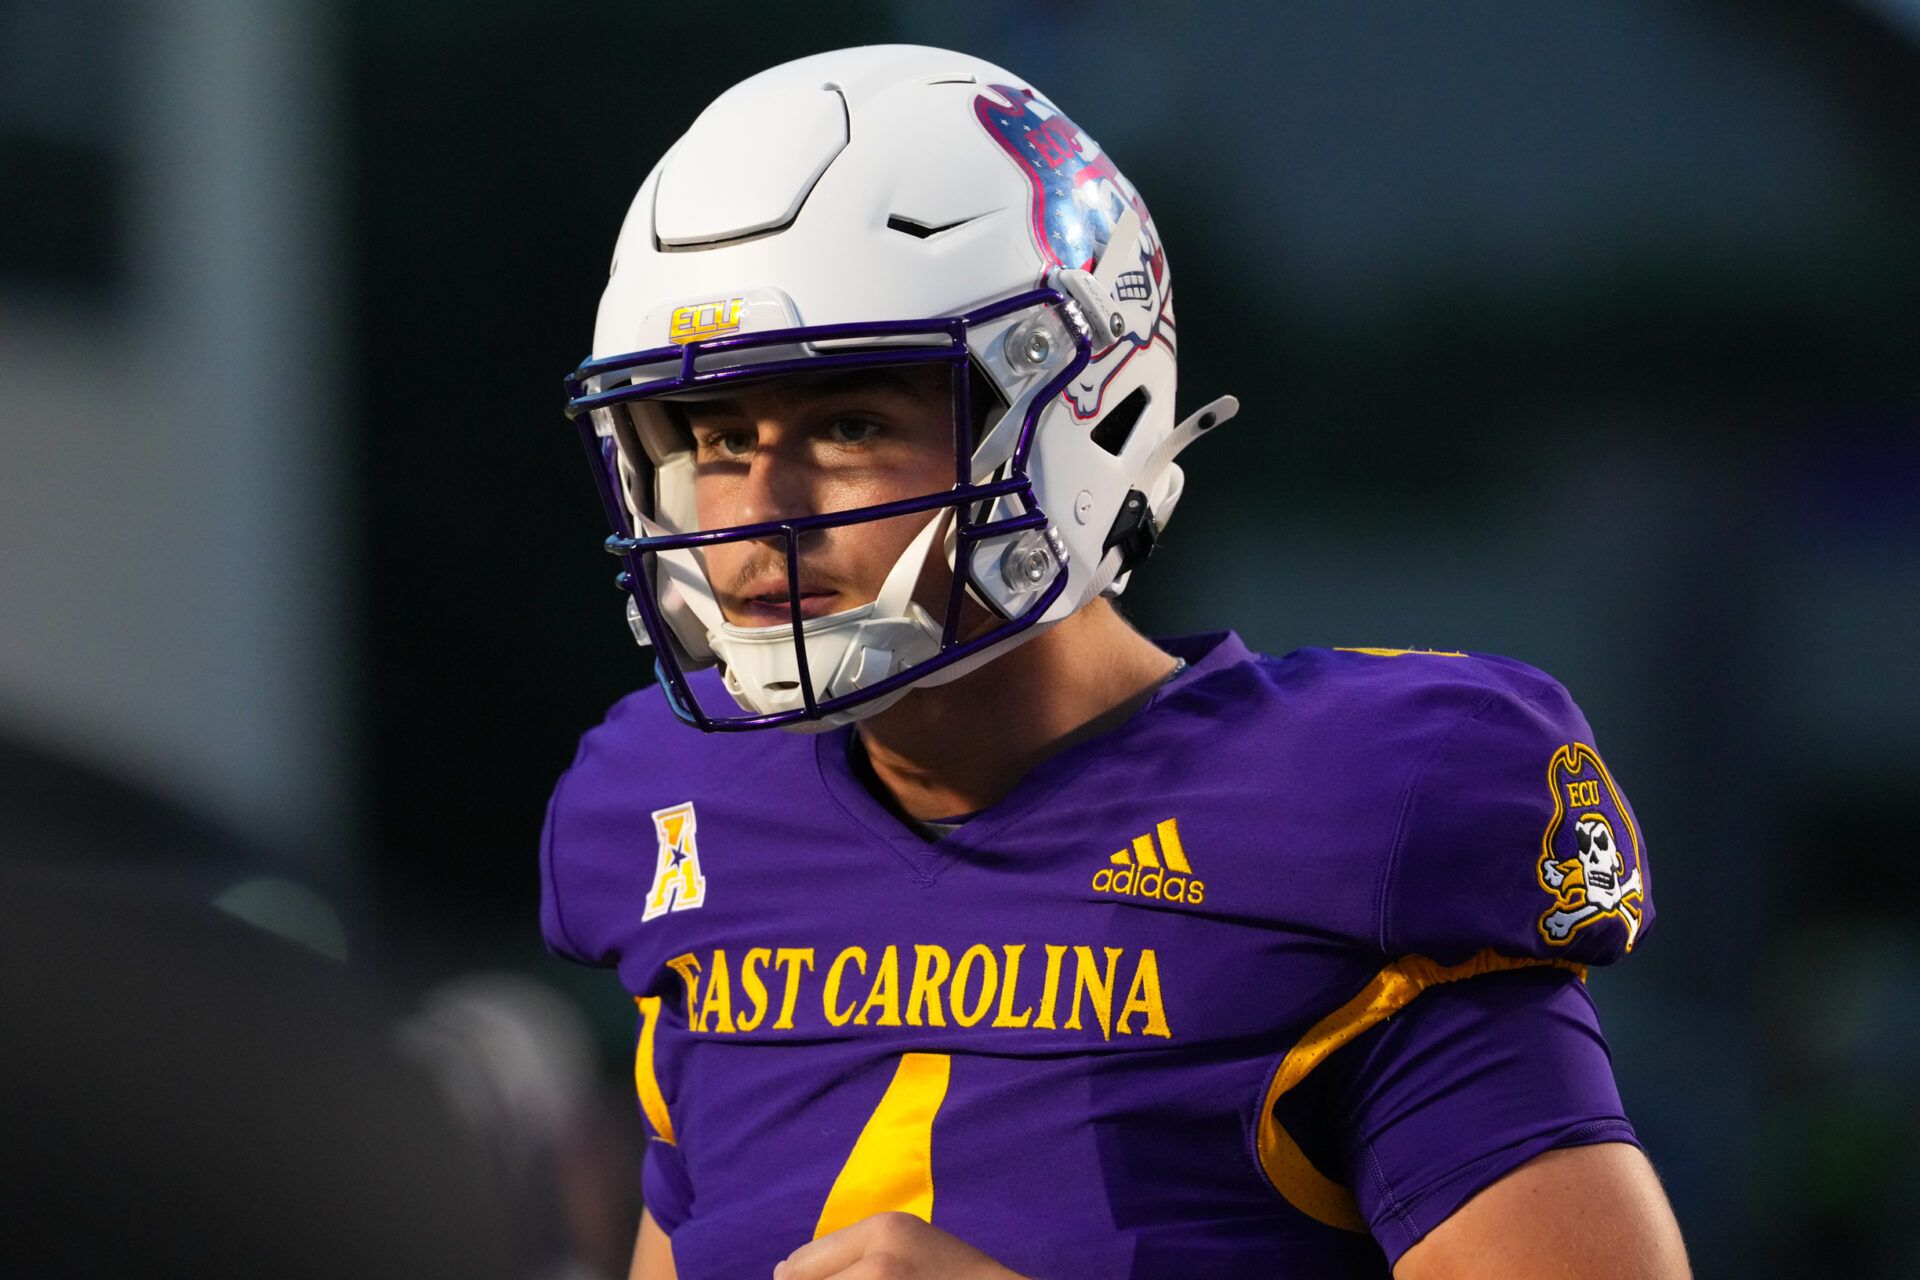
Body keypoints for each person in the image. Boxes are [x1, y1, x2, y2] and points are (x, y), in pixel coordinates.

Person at [544, 44, 1690, 1280]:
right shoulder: (673, 803)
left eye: (850, 423)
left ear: (1084, 414)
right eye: (714, 438)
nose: (762, 507)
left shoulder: (1360, 808)